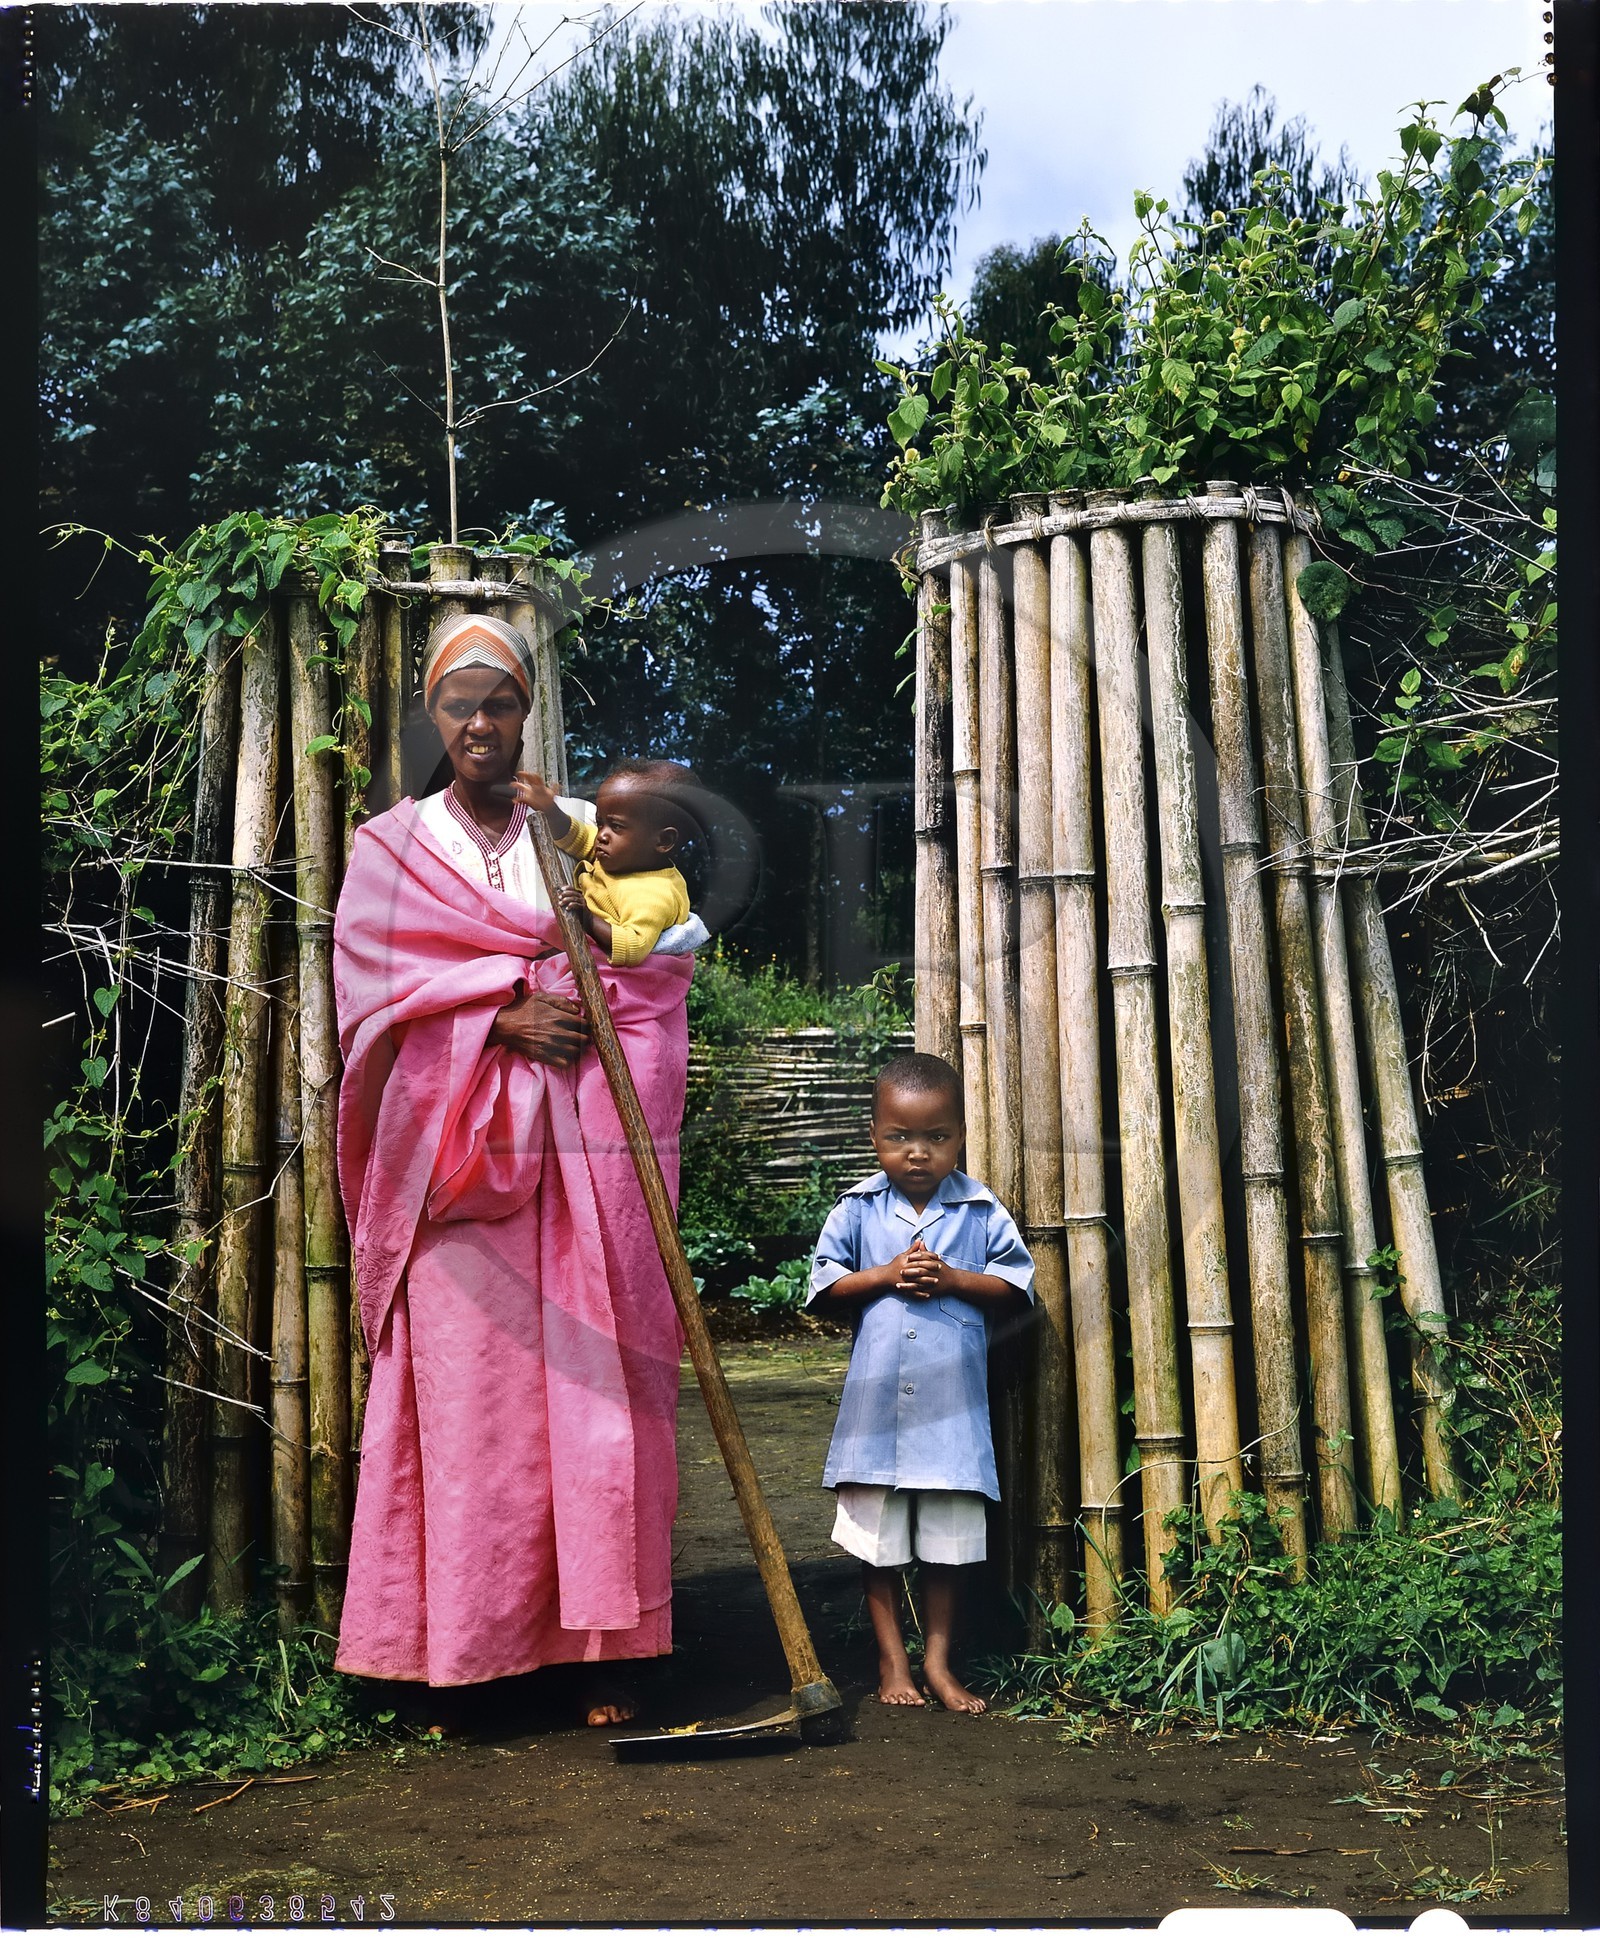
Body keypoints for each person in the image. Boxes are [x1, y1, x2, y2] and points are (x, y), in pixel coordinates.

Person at [333, 611, 700, 1726]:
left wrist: (585, 1001)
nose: (480, 721)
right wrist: (497, 1013)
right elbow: (369, 997)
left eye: (500, 700)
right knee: (471, 1405)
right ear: (432, 716)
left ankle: (600, 1650)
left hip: (589, 1150)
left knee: (591, 1397)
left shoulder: (588, 829)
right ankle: (463, 1646)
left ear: (527, 708)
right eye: (459, 702)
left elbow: (658, 965)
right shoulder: (389, 848)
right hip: (458, 1158)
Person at [806, 1052, 1034, 1713]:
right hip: (876, 1417)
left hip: (948, 1419)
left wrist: (956, 1279)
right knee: (876, 1546)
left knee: (945, 1547)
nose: (917, 1153)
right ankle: (891, 1662)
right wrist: (882, 1274)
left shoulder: (981, 1210)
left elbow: (1015, 1284)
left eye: (937, 1137)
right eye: (900, 1136)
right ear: (874, 1135)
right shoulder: (856, 1209)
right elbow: (823, 1286)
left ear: (960, 1135)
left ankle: (938, 1664)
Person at [512, 762, 694, 966]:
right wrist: (550, 809)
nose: (602, 835)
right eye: (600, 823)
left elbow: (632, 948)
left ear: (663, 841)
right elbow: (577, 837)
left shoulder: (655, 894)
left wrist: (587, 917)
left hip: (624, 979)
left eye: (616, 826)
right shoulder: (621, 855)